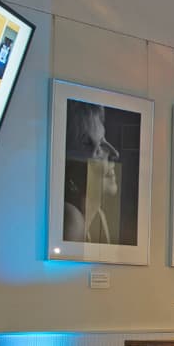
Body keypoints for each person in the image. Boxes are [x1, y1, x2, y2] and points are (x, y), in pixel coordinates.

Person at [62, 101, 121, 244]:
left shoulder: (99, 217)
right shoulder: (71, 220)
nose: (114, 153)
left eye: (103, 140)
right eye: (95, 146)